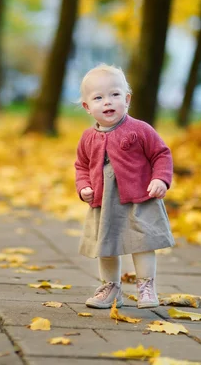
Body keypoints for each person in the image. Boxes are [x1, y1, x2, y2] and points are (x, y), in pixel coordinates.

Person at [74, 64, 175, 310]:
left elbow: (161, 154)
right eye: (98, 98)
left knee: (143, 242)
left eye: (115, 95)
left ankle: (146, 285)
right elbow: (81, 166)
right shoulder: (88, 137)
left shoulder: (140, 130)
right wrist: (84, 186)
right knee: (106, 246)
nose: (107, 102)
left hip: (140, 197)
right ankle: (110, 287)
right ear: (88, 107)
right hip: (104, 201)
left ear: (127, 99)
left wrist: (160, 179)